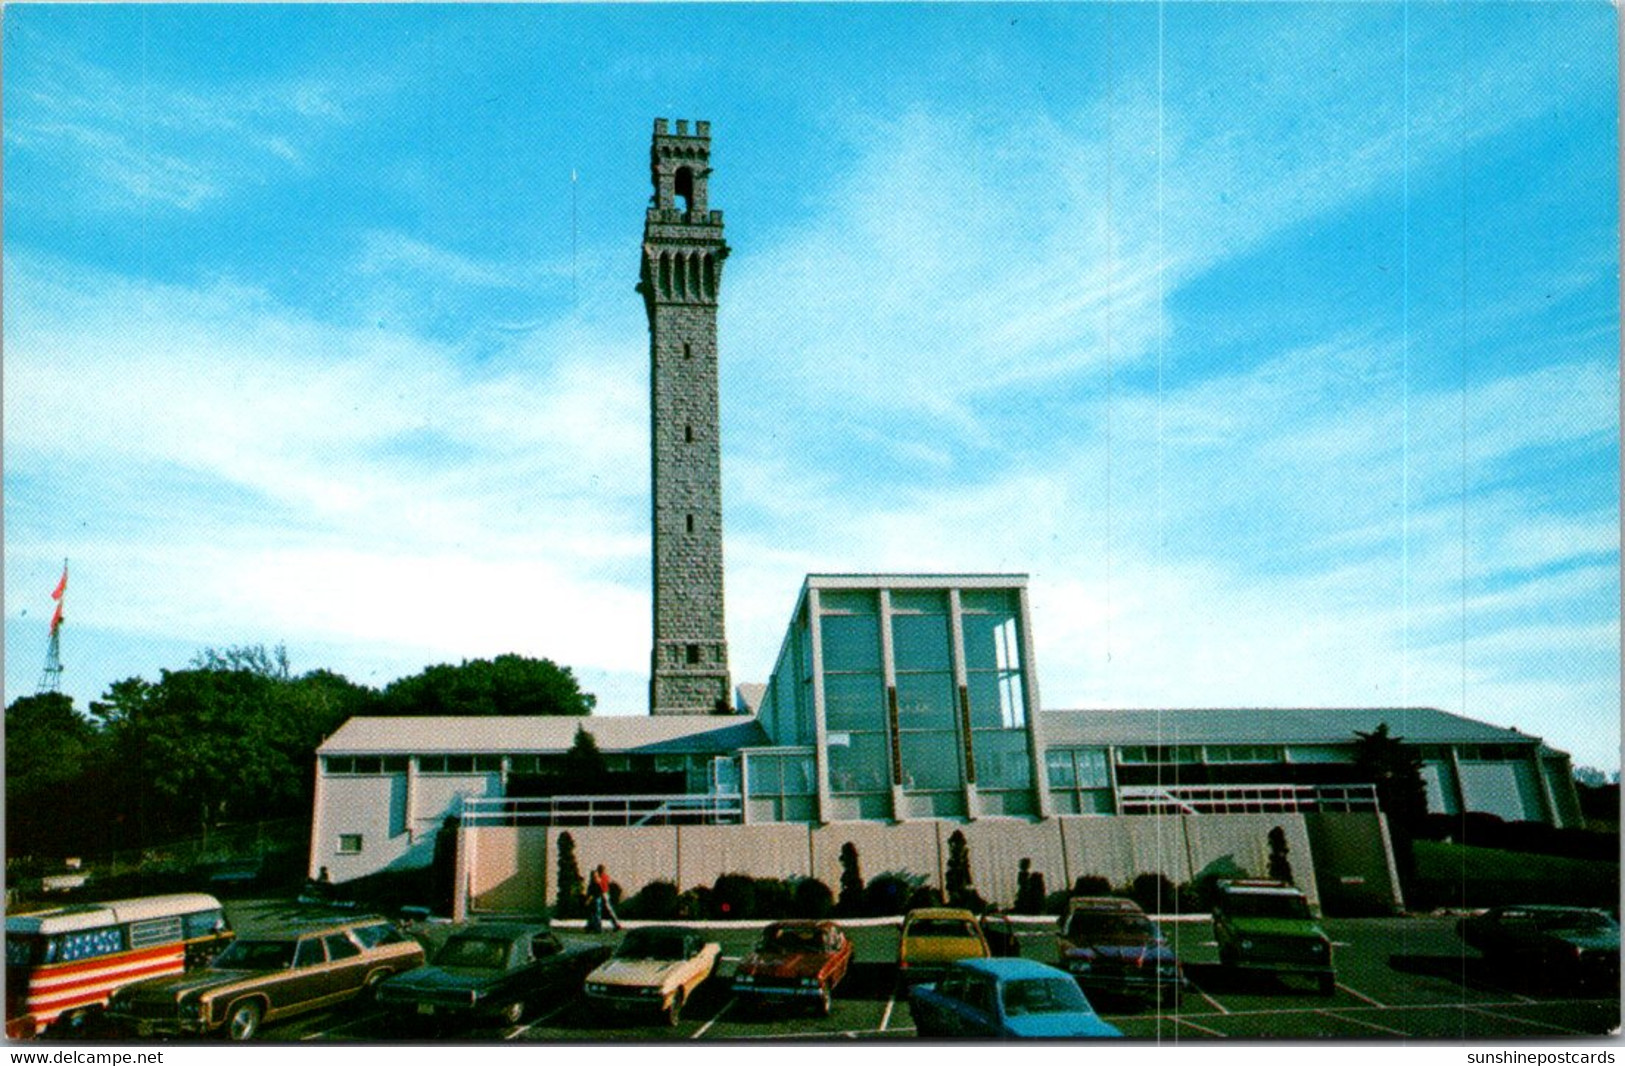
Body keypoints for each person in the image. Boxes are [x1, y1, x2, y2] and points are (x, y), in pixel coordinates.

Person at [590, 864, 622, 932]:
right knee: (608, 910)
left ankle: (597, 927)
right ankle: (616, 924)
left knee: (597, 911)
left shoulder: (600, 877)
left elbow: (599, 886)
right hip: (605, 894)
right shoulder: (605, 877)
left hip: (599, 894)